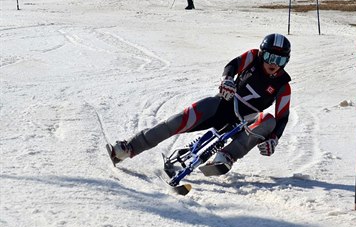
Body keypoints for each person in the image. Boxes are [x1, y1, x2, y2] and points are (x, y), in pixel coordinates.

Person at [107, 33, 293, 176]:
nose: (274, 64)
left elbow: (282, 118)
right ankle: (129, 147)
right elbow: (233, 65)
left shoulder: (283, 86)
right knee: (177, 121)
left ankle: (226, 156)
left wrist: (274, 139)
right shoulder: (252, 57)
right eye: (270, 57)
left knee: (269, 120)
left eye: (280, 60)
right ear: (262, 53)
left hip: (244, 121)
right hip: (223, 104)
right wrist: (227, 80)